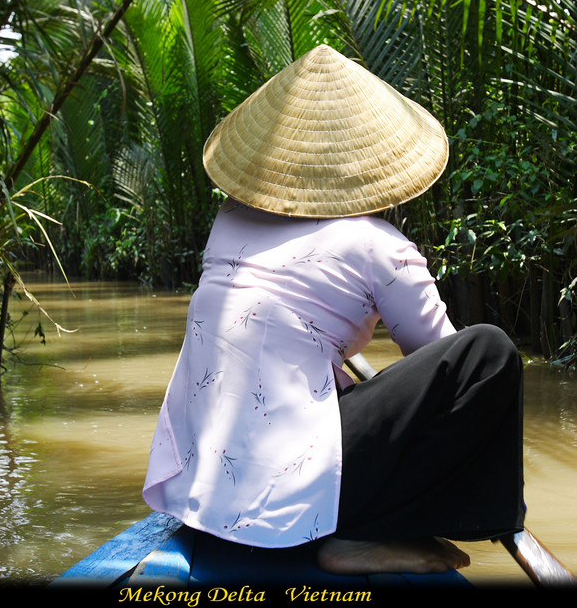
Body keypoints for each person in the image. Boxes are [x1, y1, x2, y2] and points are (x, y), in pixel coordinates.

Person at [142, 44, 525, 576]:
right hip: (284, 492)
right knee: (490, 353)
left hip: (194, 484)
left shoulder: (227, 220)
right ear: (369, 164)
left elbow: (272, 341)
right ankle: (363, 535)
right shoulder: (378, 246)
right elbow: (443, 362)